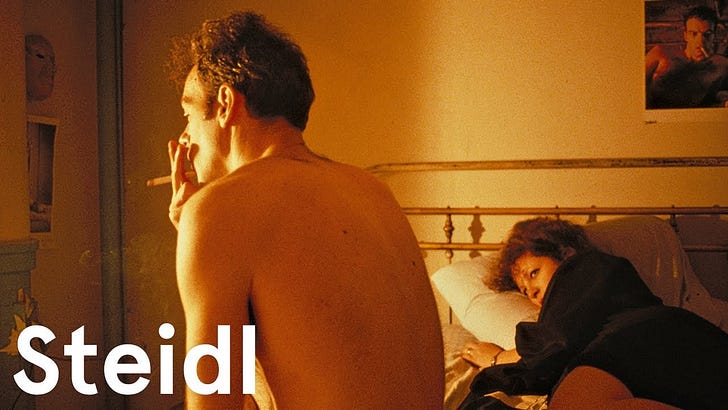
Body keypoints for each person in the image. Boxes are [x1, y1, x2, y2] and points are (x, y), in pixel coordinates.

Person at [164, 11, 444, 409]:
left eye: (188, 114)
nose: (185, 137)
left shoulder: (219, 210)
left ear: (225, 104)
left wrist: (200, 227)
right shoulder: (373, 190)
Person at [458, 217, 728, 409]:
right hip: (659, 355)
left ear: (566, 253)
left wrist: (496, 357)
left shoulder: (584, 267)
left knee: (573, 403)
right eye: (524, 290)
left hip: (649, 334)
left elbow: (556, 340)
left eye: (534, 273)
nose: (532, 291)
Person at [645, 5, 728, 108]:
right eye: (693, 33)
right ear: (686, 35)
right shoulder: (660, 54)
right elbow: (634, 86)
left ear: (714, 36)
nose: (700, 42)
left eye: (707, 34)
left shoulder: (722, 65)